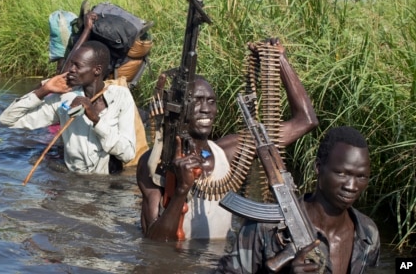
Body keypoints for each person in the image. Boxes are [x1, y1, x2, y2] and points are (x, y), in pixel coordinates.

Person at [136, 39, 319, 241]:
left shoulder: (230, 152)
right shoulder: (155, 164)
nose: (206, 108)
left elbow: (305, 121)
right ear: (178, 108)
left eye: (211, 101)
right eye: (196, 101)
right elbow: (154, 243)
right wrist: (181, 191)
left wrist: (279, 60)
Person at [215, 126, 380, 273]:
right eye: (341, 173)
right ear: (318, 167)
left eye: (361, 176)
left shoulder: (368, 234)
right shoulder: (265, 228)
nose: (351, 186)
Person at [0, 40, 137, 174]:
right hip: (75, 183)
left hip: (108, 183)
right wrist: (44, 90)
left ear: (97, 70)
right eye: (71, 64)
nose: (71, 69)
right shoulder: (64, 99)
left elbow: (128, 154)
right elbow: (7, 119)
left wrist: (96, 120)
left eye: (78, 66)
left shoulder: (120, 97)